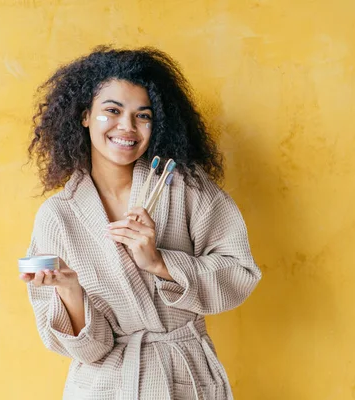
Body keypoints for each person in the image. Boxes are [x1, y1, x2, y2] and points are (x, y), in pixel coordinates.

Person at [20, 45, 262, 400]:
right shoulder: (59, 216)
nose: (127, 127)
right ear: (85, 115)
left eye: (143, 115)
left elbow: (240, 273)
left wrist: (160, 263)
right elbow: (89, 349)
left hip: (184, 374)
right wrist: (70, 291)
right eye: (112, 111)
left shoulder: (185, 187)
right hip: (104, 386)